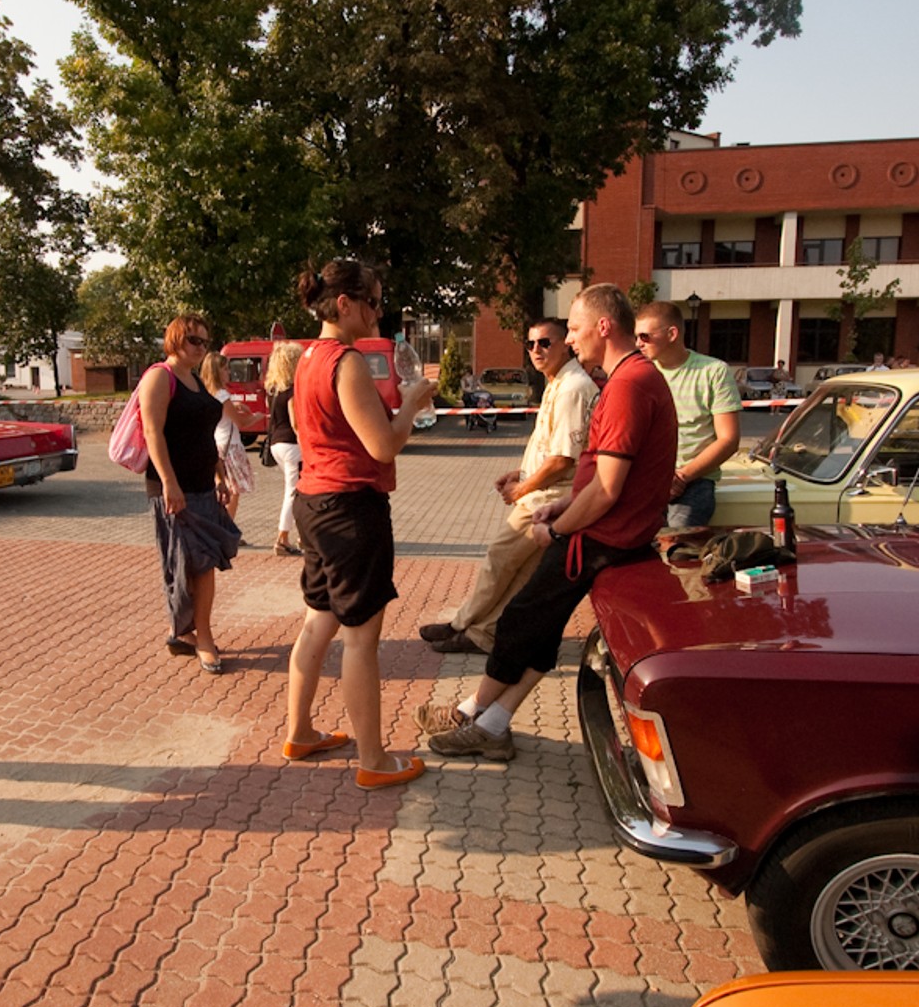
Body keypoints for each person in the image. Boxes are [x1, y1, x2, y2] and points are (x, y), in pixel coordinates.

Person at [425, 282, 676, 762]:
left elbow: (607, 488)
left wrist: (558, 528)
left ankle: (475, 714)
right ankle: (488, 720)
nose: (571, 339)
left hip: (601, 536)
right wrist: (563, 505)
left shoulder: (627, 384)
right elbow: (604, 476)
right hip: (608, 530)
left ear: (604, 326)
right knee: (541, 624)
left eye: (575, 329)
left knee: (520, 619)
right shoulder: (631, 378)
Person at [284, 258, 435, 790]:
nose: (378, 312)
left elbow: (317, 426)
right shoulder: (346, 362)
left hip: (313, 501)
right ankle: (373, 760)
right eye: (372, 301)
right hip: (350, 507)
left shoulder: (308, 357)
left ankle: (299, 732)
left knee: (317, 620)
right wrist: (411, 404)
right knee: (360, 639)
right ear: (344, 303)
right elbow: (383, 445)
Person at [416, 317, 596, 656]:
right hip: (547, 492)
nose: (536, 350)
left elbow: (562, 460)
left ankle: (462, 625)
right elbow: (551, 448)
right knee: (520, 573)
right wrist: (520, 472)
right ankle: (482, 634)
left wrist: (522, 489)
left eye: (545, 342)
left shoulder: (572, 388)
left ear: (565, 345)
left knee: (499, 559)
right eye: (530, 344)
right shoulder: (558, 382)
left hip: (550, 497)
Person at [141, 315, 242, 673]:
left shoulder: (195, 379)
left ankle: (191, 633)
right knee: (187, 564)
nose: (201, 348)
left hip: (202, 485)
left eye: (205, 342)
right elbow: (152, 433)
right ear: (175, 339)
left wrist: (219, 473)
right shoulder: (160, 377)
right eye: (194, 340)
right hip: (174, 488)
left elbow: (202, 434)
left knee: (203, 562)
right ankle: (196, 635)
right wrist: (169, 483)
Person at [633, 300, 742, 527]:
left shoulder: (713, 371)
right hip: (647, 481)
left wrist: (681, 476)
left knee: (675, 542)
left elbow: (729, 439)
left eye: (644, 336)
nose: (638, 344)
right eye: (636, 337)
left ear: (672, 334)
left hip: (694, 482)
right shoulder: (640, 374)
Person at [199, 349, 260, 541]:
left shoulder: (207, 392)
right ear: (217, 372)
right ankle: (226, 531)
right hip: (229, 446)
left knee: (220, 490)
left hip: (216, 443)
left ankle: (219, 529)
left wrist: (236, 405)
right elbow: (241, 423)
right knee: (233, 492)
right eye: (225, 369)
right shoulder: (223, 394)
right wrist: (258, 417)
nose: (229, 372)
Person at [264, 341, 306, 557]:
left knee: (297, 490)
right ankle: (283, 538)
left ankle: (301, 535)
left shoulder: (272, 391)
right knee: (293, 492)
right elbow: (296, 423)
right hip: (292, 445)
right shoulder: (292, 391)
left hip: (276, 445)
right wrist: (306, 444)